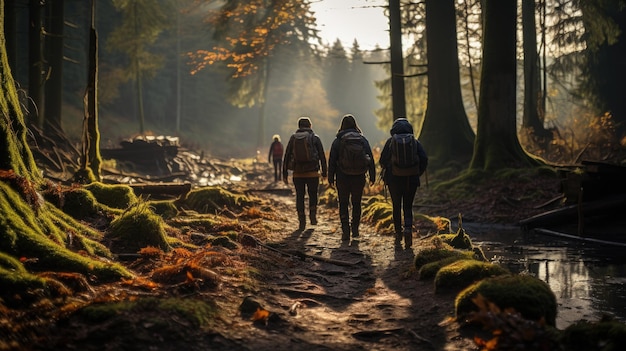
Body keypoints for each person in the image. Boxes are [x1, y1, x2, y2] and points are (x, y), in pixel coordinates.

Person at [379, 118, 428, 249]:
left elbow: (382, 160)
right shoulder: (415, 142)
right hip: (411, 180)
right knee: (408, 206)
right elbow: (424, 159)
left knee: (396, 206)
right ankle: (408, 229)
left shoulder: (390, 142)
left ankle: (398, 233)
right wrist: (417, 173)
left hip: (393, 180)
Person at [328, 114, 376, 241]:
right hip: (359, 176)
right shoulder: (362, 139)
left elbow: (332, 160)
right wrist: (372, 176)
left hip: (342, 176)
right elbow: (370, 157)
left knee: (343, 203)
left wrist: (330, 177)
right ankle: (355, 229)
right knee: (356, 203)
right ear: (355, 125)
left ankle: (345, 231)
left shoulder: (338, 140)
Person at [283, 117, 328, 231]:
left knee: (300, 196)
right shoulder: (315, 138)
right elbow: (322, 156)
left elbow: (287, 156)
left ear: (299, 126)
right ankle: (313, 216)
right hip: (313, 172)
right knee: (313, 194)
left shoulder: (293, 138)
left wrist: (284, 173)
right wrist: (324, 172)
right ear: (310, 126)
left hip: (297, 173)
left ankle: (301, 220)